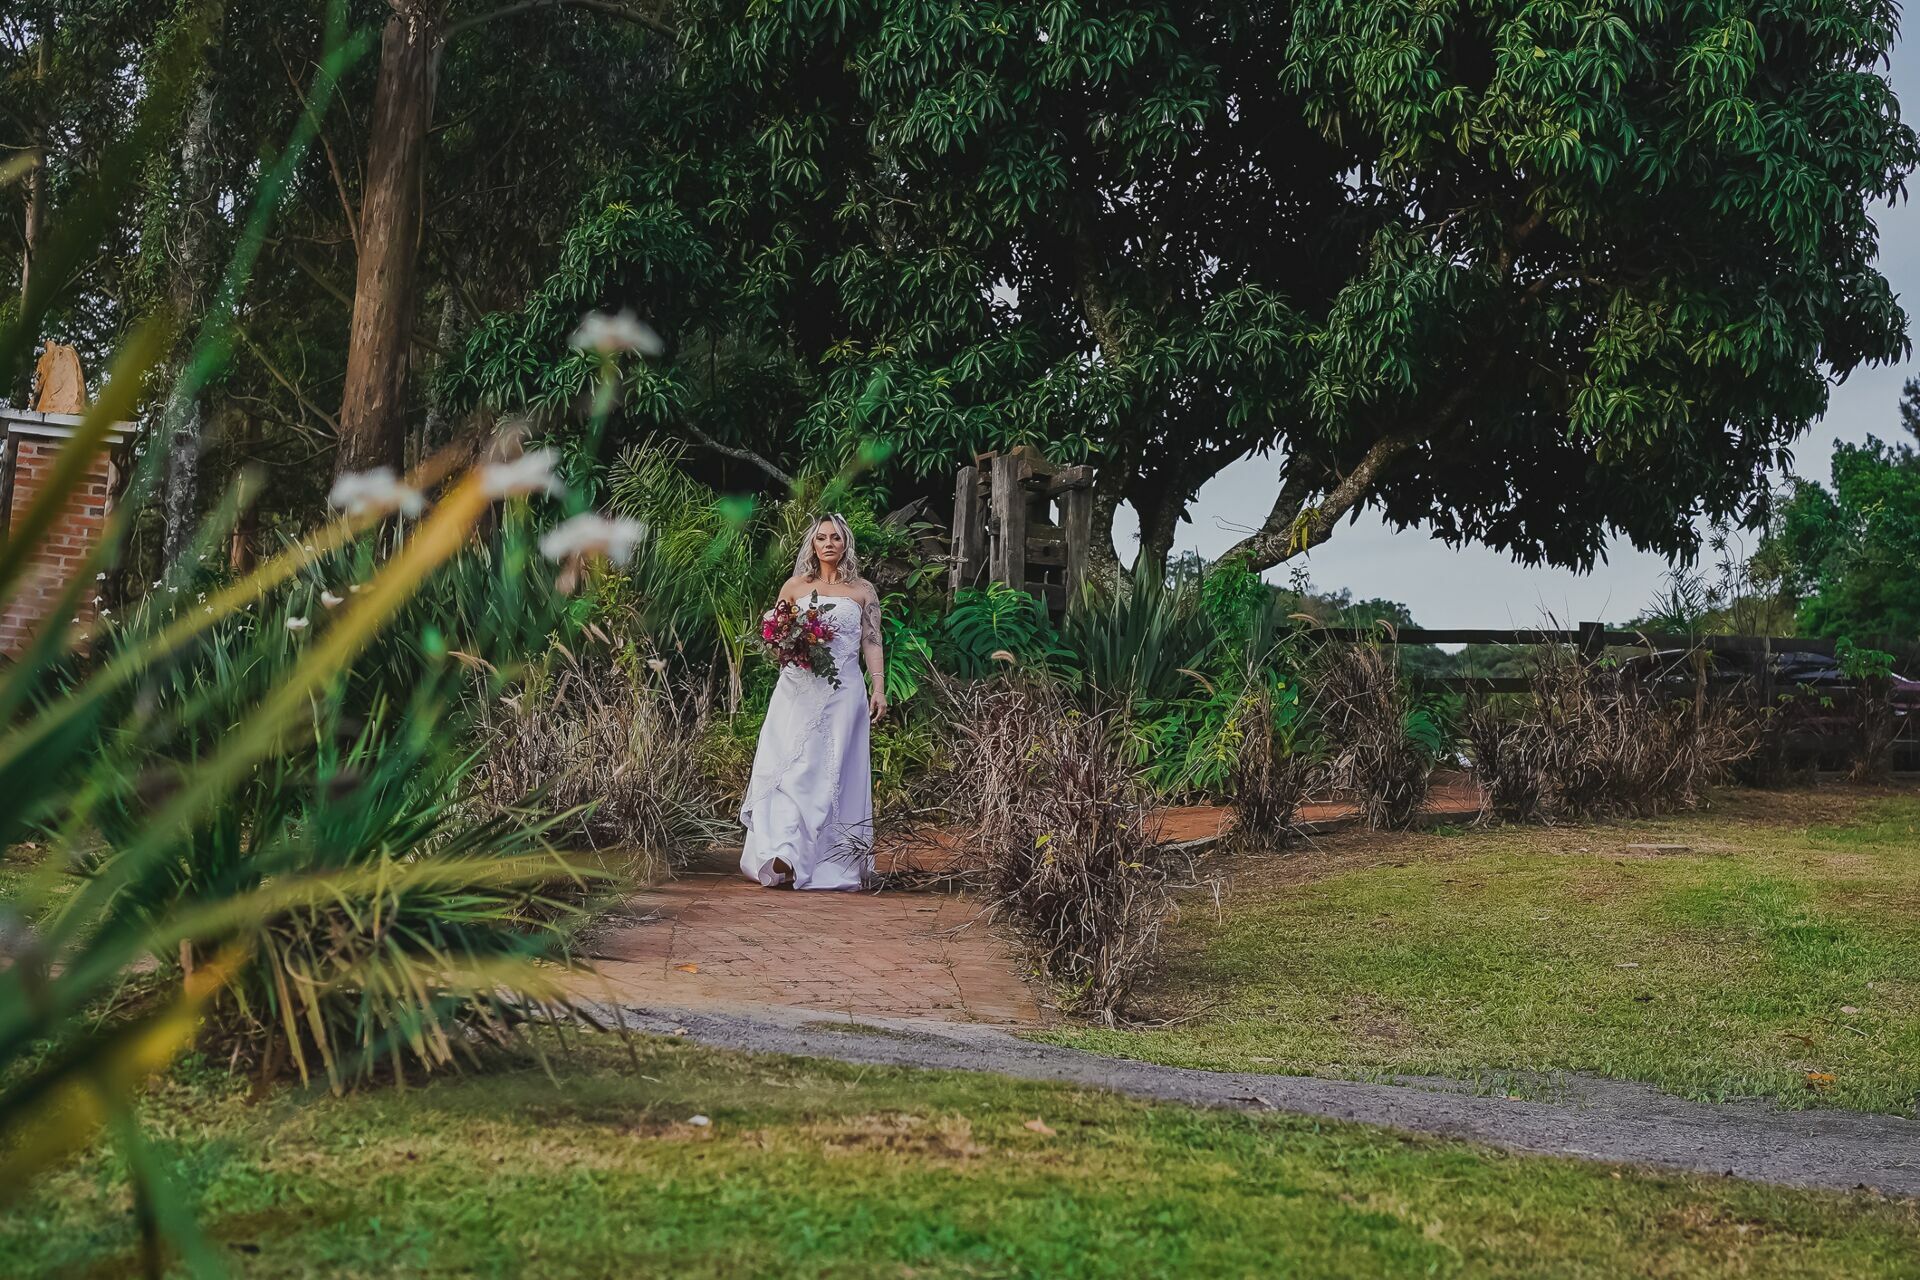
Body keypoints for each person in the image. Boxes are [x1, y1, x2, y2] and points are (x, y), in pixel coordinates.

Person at [738, 513, 888, 890]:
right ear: (813, 544)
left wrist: (879, 687)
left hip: (845, 691)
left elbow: (871, 640)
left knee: (833, 771)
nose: (828, 544)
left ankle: (828, 858)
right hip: (798, 688)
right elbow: (775, 636)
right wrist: (791, 644)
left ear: (845, 543)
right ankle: (784, 851)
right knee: (792, 768)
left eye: (836, 537)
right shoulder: (795, 586)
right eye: (821, 537)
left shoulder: (862, 591)